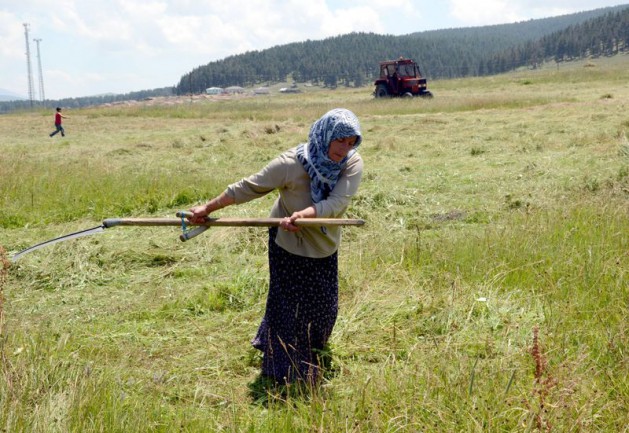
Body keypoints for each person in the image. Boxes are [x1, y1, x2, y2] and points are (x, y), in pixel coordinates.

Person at [187, 108, 363, 386]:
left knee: (324, 309)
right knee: (288, 308)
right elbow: (248, 187)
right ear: (326, 136)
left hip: (325, 244)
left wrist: (304, 215)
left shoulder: (351, 163)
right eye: (340, 140)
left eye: (351, 141)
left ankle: (312, 351)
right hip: (288, 242)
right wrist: (207, 207)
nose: (345, 148)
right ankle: (282, 365)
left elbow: (337, 203)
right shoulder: (290, 164)